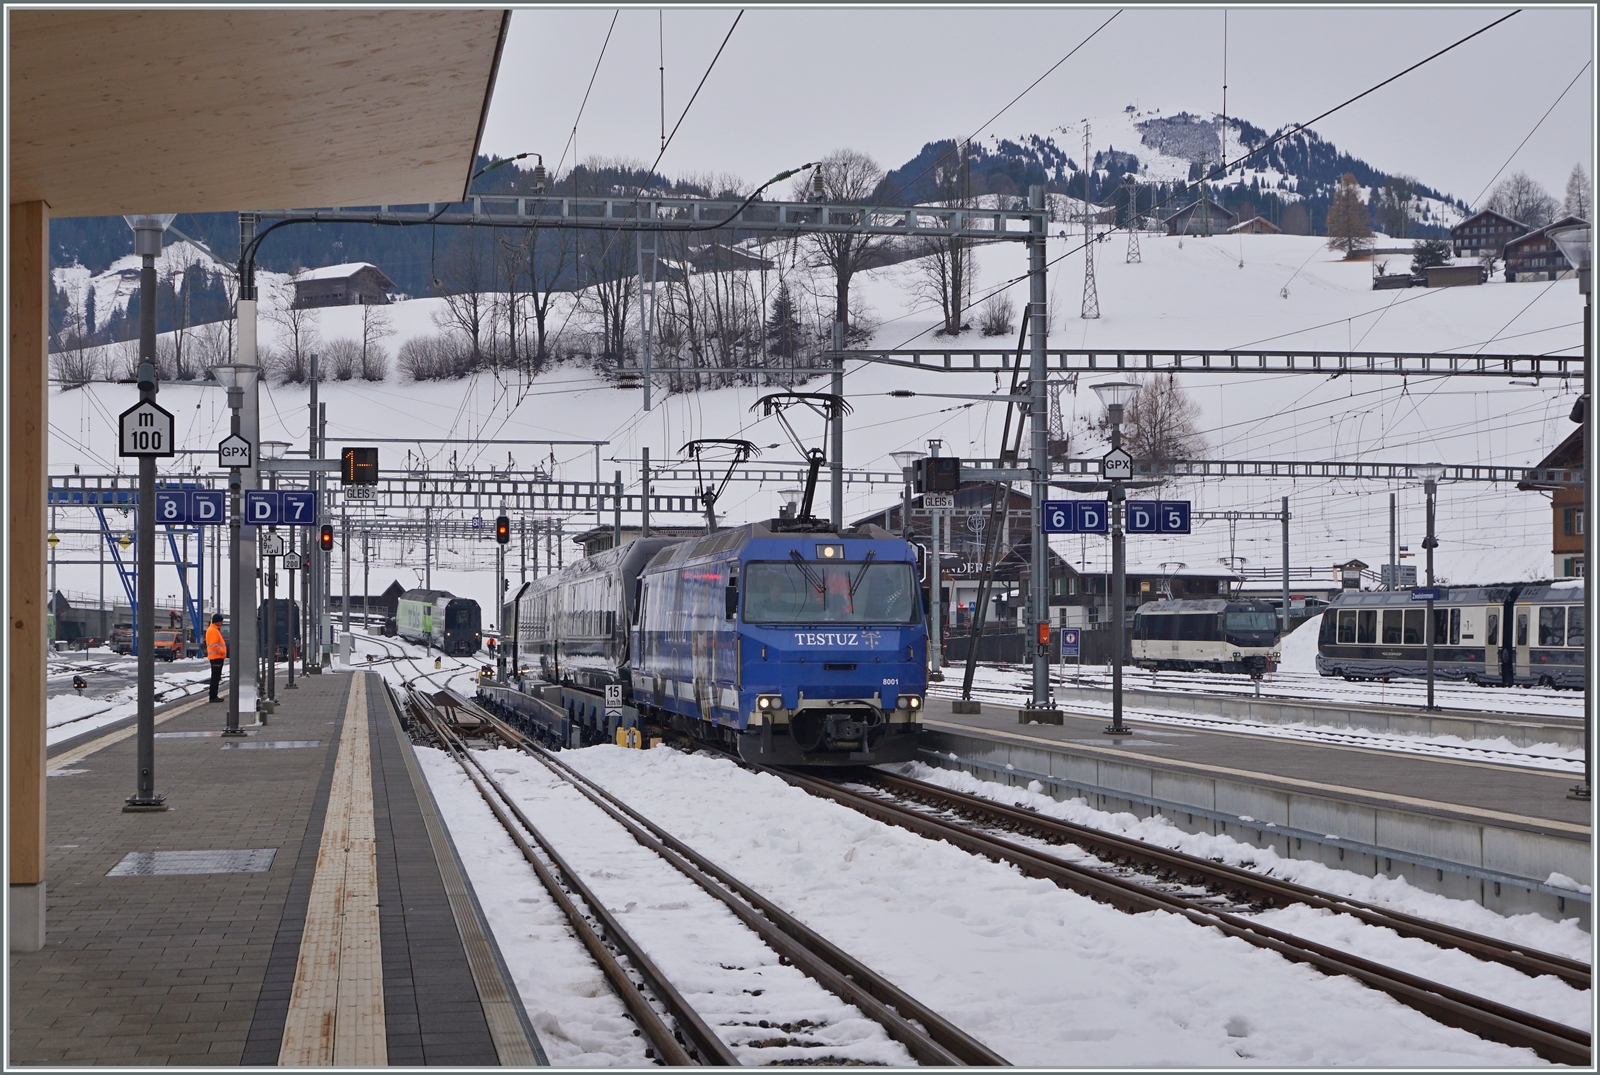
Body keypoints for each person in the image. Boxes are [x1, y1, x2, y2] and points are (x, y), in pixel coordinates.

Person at [206, 613, 227, 702]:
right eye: (221, 621)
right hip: (216, 657)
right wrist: (222, 652)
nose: (222, 623)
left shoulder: (215, 630)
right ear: (218, 621)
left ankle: (214, 695)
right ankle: (213, 696)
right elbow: (214, 645)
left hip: (217, 657)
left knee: (216, 677)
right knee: (215, 677)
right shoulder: (213, 631)